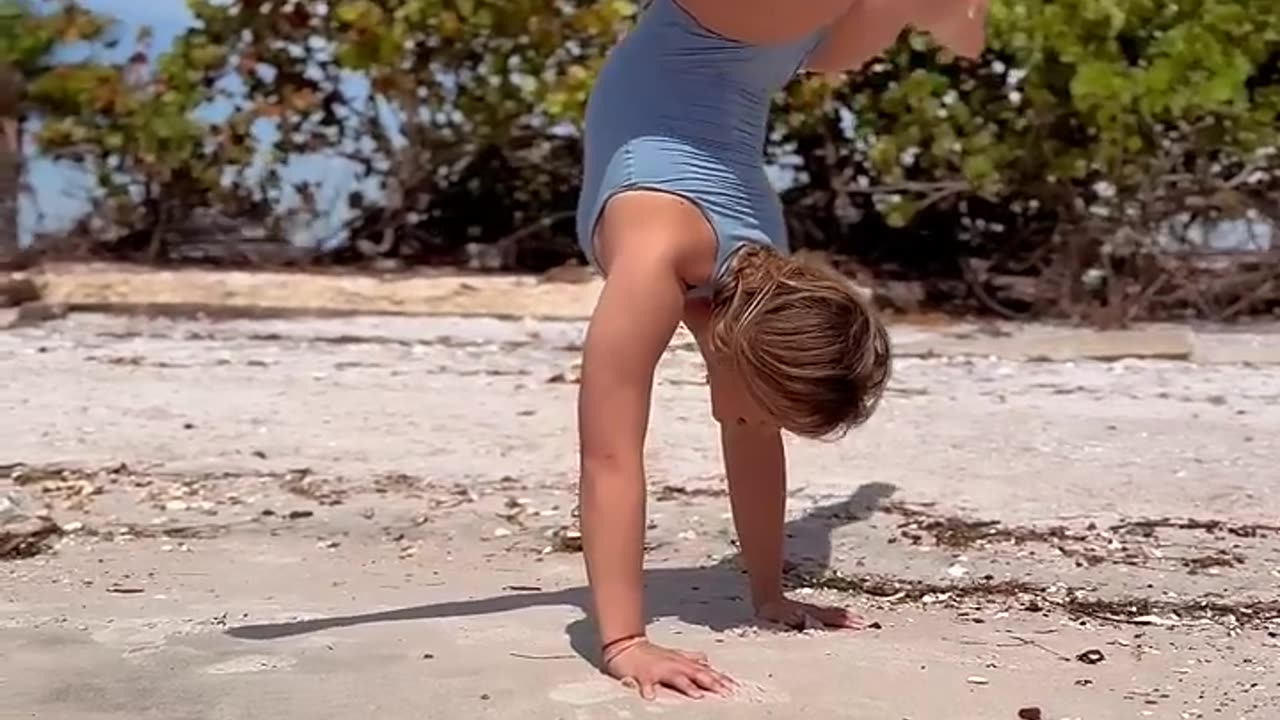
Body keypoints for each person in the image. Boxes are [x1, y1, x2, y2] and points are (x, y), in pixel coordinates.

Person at [574, 0, 990, 701]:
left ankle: (946, 11)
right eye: (768, 411)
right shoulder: (652, 258)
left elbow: (750, 430)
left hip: (771, 56)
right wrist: (625, 643)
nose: (753, 424)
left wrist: (768, 597)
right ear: (741, 357)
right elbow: (608, 460)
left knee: (874, 38)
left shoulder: (761, 279)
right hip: (719, 27)